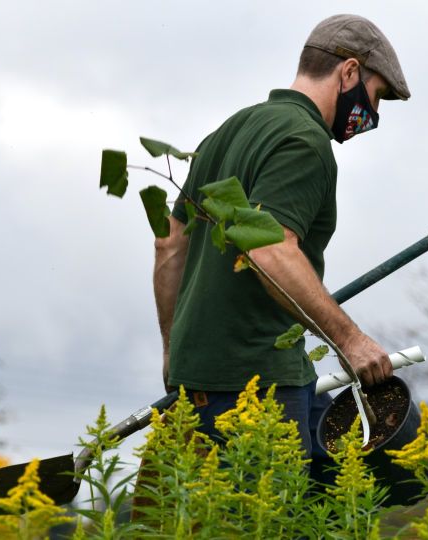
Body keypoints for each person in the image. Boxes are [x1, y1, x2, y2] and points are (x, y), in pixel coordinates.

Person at [152, 14, 410, 459]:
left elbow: (170, 244)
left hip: (198, 386)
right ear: (350, 72)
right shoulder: (305, 140)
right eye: (378, 95)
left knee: (337, 478)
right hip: (260, 386)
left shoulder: (227, 132)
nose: (374, 113)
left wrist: (174, 351)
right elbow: (270, 249)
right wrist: (350, 341)